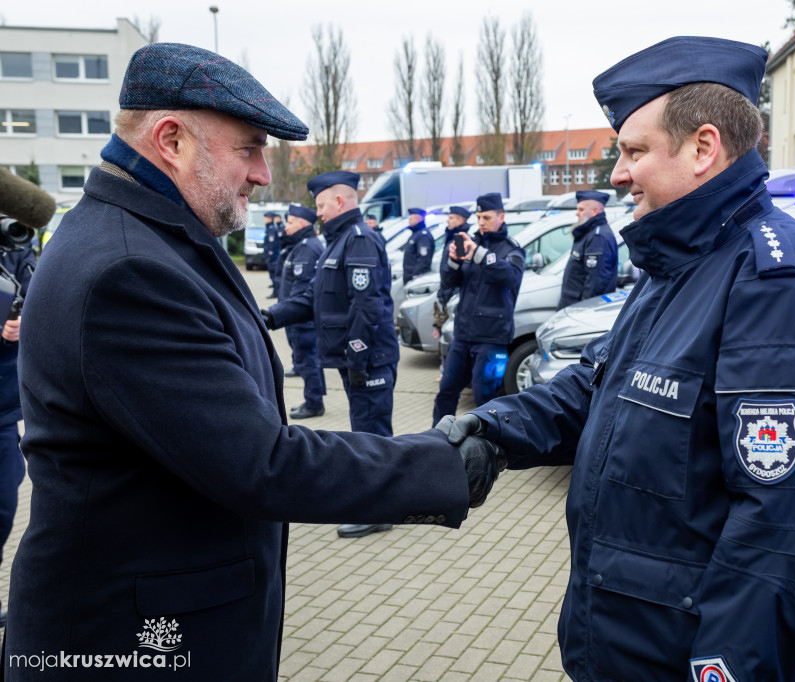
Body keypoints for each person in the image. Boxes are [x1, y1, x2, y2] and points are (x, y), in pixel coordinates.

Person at [5, 43, 472, 681]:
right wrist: (449, 462)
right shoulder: (128, 268)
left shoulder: (151, 237)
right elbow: (262, 464)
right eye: (248, 148)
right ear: (171, 139)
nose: (261, 174)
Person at [437, 36, 795, 681]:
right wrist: (493, 430)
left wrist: (720, 672)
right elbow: (597, 387)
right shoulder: (676, 264)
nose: (617, 173)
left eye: (633, 150)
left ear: (704, 148)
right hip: (628, 647)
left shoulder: (781, 284)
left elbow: (792, 533)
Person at [264, 170, 400, 539]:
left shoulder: (358, 241)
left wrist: (357, 358)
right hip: (355, 361)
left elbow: (366, 308)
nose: (318, 213)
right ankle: (376, 502)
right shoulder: (338, 243)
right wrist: (271, 317)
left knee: (372, 437)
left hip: (367, 360)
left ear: (339, 202)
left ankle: (380, 510)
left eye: (321, 205)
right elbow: (313, 298)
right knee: (365, 431)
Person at [431, 193, 525, 426]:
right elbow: (449, 282)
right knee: (446, 391)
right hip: (463, 334)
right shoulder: (471, 243)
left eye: (486, 217)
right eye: (478, 216)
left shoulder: (511, 249)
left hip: (492, 337)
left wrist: (479, 255)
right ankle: (436, 442)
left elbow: (509, 277)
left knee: (485, 397)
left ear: (501, 216)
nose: (481, 222)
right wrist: (453, 261)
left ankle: (487, 449)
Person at [0, 244, 34, 628]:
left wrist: (22, 320)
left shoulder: (15, 250)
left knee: (4, 507)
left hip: (3, 413)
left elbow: (38, 293)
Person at [278, 204, 327, 419]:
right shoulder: (302, 245)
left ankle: (313, 402)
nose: (286, 228)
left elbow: (302, 289)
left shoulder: (307, 248)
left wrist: (285, 313)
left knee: (307, 360)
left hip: (300, 318)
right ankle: (315, 397)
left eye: (289, 223)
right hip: (297, 316)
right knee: (309, 360)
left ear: (301, 224)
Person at [557, 190, 619, 310]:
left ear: (594, 211)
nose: (577, 213)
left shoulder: (598, 237)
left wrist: (583, 311)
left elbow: (596, 283)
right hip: (572, 306)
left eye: (581, 209)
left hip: (580, 309)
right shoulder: (589, 232)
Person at [433, 205, 472, 332]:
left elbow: (458, 272)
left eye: (451, 218)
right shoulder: (453, 237)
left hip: (453, 298)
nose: (447, 221)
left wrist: (449, 297)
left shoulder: (460, 240)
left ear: (460, 221)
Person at [402, 207, 435, 283]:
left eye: (411, 219)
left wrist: (416, 275)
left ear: (418, 219)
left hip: (416, 277)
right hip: (410, 275)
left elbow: (424, 258)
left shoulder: (423, 236)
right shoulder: (416, 234)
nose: (409, 222)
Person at [263, 210, 282, 298]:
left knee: (274, 276)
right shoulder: (270, 228)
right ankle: (276, 292)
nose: (264, 220)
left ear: (270, 219)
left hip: (273, 257)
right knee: (273, 276)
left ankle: (276, 293)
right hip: (272, 257)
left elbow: (272, 244)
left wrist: (270, 256)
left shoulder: (271, 229)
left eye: (266, 218)